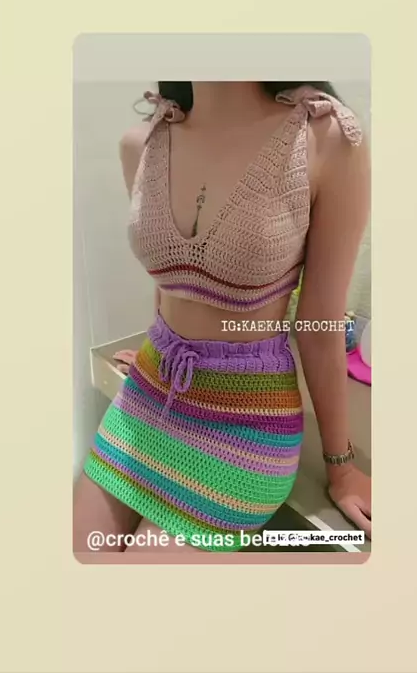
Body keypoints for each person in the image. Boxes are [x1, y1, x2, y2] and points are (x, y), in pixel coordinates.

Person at [73, 81, 371, 555]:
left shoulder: (324, 139)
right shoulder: (143, 142)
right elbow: (171, 276)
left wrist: (342, 468)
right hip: (148, 395)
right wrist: (157, 346)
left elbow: (319, 326)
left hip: (244, 426)